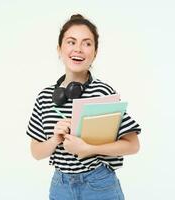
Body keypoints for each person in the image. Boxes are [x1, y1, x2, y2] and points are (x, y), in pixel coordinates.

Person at [26, 14, 141, 200]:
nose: (78, 49)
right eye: (71, 42)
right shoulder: (45, 97)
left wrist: (88, 149)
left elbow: (132, 145)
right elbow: (36, 152)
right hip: (60, 186)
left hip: (99, 184)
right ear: (59, 48)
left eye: (87, 43)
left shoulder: (103, 93)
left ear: (95, 53)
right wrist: (55, 139)